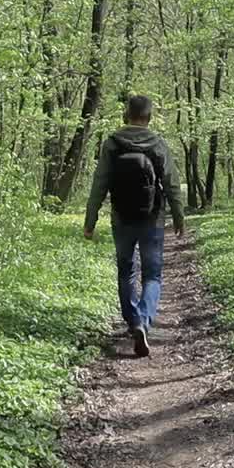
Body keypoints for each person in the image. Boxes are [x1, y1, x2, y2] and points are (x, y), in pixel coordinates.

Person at [83, 95, 185, 357]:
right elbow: (172, 183)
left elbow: (100, 184)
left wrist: (90, 220)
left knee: (126, 270)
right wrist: (178, 215)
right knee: (152, 274)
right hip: (152, 218)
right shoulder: (157, 143)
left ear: (125, 115)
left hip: (121, 217)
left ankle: (133, 321)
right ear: (149, 117)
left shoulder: (112, 143)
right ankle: (144, 319)